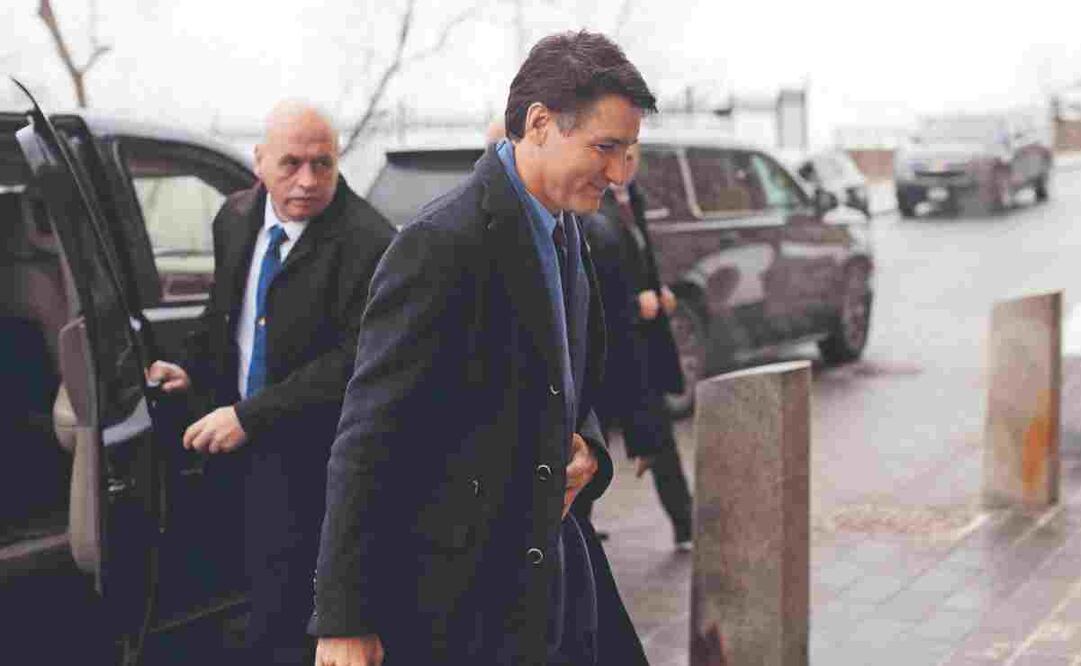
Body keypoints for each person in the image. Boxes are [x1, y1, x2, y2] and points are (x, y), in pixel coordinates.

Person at [310, 31, 656, 666]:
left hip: (553, 590)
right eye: (605, 148)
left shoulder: (569, 233)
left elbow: (573, 390)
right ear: (541, 123)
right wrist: (345, 618)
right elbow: (367, 439)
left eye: (627, 151)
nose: (617, 171)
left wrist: (590, 455)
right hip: (460, 613)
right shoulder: (442, 244)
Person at [146, 101, 395, 665]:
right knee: (234, 606)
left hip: (313, 463)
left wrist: (249, 417)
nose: (307, 181)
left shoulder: (368, 241)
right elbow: (224, 315)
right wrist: (191, 369)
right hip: (234, 453)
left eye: (322, 164)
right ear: (259, 162)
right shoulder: (234, 218)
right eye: (291, 164)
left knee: (285, 620)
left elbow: (355, 361)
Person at [575, 143, 694, 550]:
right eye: (621, 156)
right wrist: (634, 303)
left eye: (633, 157)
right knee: (592, 445)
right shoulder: (591, 205)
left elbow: (637, 263)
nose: (627, 165)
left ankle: (686, 525)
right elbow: (593, 284)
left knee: (658, 436)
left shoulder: (632, 200)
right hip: (612, 349)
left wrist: (655, 292)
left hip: (640, 347)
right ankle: (578, 530)